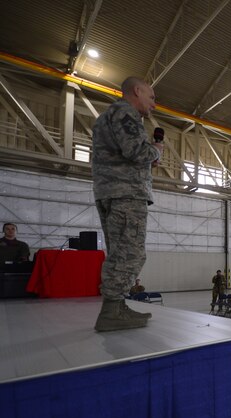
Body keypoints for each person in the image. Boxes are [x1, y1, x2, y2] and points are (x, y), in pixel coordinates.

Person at [91, 76, 162, 332]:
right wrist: (156, 150)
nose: (154, 104)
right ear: (136, 91)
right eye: (151, 97)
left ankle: (117, 306)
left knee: (119, 251)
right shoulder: (126, 114)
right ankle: (111, 310)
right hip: (126, 194)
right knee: (130, 253)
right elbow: (137, 152)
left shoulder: (105, 118)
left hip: (109, 191)